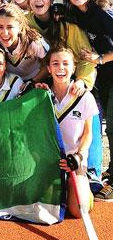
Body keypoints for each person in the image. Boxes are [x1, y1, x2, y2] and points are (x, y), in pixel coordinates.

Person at [61, 0, 113, 200]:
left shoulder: (102, 13)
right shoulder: (75, 15)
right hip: (101, 79)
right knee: (104, 128)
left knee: (111, 127)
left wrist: (100, 58)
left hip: (108, 70)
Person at [37, 47, 98, 216]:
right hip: (48, 162)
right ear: (48, 69)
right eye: (55, 64)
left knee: (78, 210)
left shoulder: (85, 96)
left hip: (73, 161)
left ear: (73, 68)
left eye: (66, 64)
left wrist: (78, 156)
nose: (61, 68)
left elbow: (88, 133)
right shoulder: (42, 95)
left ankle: (83, 186)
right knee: (40, 206)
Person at [26, 0, 96, 93]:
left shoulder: (67, 23)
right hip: (39, 80)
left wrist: (81, 81)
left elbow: (87, 58)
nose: (38, 0)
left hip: (71, 78)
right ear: (28, 0)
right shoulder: (24, 22)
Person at [0, 3, 49, 82]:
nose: (5, 33)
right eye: (0, 26)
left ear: (20, 27)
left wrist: (31, 83)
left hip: (34, 80)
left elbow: (47, 66)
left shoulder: (34, 42)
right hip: (8, 81)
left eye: (10, 27)